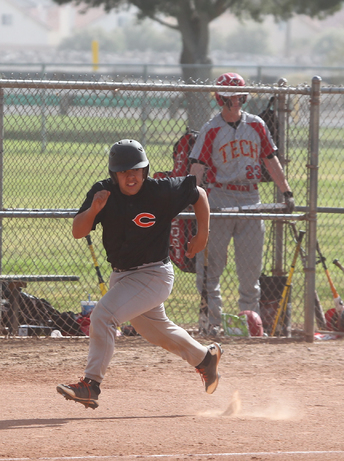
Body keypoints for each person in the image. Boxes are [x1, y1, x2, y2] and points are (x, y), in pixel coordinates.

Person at [57, 139, 221, 410]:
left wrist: (203, 234)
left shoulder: (161, 191)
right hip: (122, 277)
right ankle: (205, 359)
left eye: (136, 170)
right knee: (157, 332)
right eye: (123, 172)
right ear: (114, 174)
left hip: (154, 274)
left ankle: (91, 384)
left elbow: (199, 194)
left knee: (103, 316)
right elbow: (78, 230)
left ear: (145, 171)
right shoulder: (103, 192)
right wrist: (93, 210)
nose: (130, 177)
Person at [188, 72, 294, 336]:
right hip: (220, 199)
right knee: (211, 269)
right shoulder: (211, 129)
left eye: (239, 95)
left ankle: (248, 325)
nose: (236, 101)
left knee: (250, 273)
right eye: (230, 96)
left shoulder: (256, 125)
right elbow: (197, 167)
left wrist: (287, 192)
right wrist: (190, 199)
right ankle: (213, 323)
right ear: (220, 98)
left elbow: (270, 160)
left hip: (250, 198)